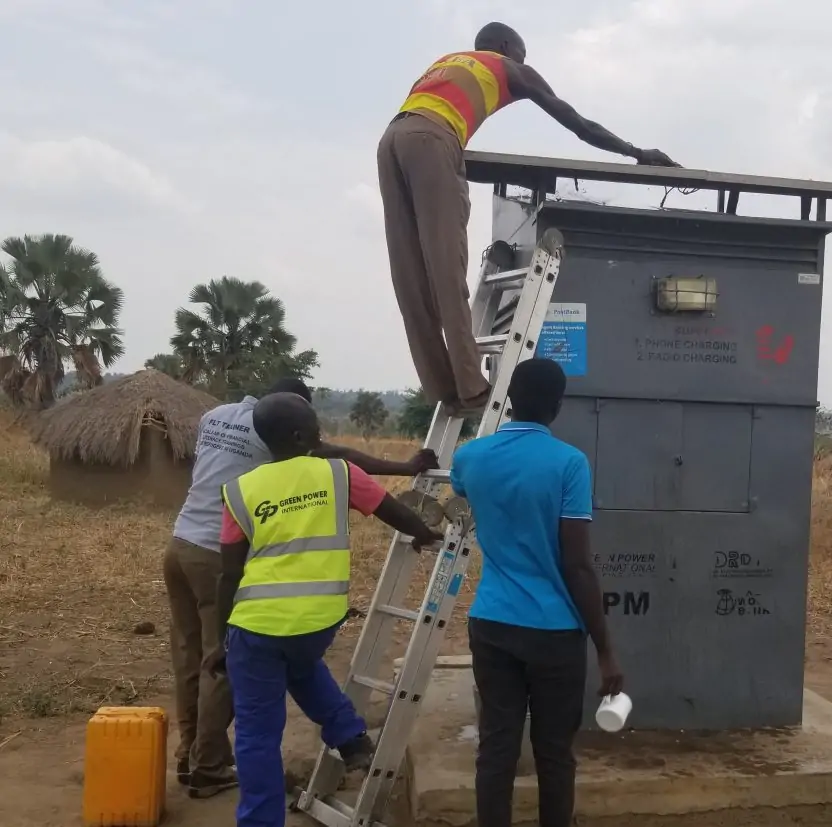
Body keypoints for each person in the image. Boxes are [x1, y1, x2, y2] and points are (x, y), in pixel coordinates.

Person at [378, 22, 678, 417]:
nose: (524, 61)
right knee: (446, 269)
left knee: (410, 276)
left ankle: (442, 391)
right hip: (433, 141)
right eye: (522, 52)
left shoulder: (447, 63)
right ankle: (470, 391)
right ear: (505, 46)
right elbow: (576, 122)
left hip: (391, 141)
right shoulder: (510, 68)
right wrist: (636, 152)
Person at [164, 377, 437, 799]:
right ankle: (209, 764)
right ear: (297, 430)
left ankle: (191, 754)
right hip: (224, 563)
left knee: (191, 657)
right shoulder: (321, 467)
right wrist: (406, 471)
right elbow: (347, 462)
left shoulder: (216, 419)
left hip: (180, 544)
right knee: (231, 666)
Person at [449, 358, 624, 827]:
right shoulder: (569, 464)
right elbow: (577, 566)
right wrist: (606, 650)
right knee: (554, 753)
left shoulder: (469, 457)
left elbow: (461, 492)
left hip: (491, 624)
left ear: (509, 401)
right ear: (557, 407)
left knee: (497, 747)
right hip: (554, 633)